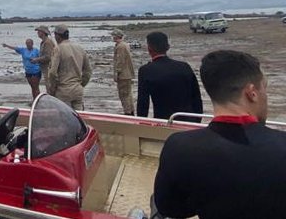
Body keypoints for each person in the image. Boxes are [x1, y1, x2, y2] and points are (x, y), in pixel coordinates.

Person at [154, 50, 286, 219]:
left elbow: (170, 208)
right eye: (264, 89)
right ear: (251, 93)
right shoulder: (282, 145)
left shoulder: (179, 147)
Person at [137, 31, 202, 121]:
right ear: (168, 47)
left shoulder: (146, 70)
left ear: (149, 48)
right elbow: (196, 97)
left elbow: (143, 103)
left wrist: (141, 122)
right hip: (188, 120)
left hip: (163, 122)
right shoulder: (184, 66)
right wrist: (197, 121)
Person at [48, 24, 92, 110]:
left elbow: (52, 73)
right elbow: (88, 71)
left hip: (63, 90)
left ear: (57, 36)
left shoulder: (58, 49)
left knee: (63, 118)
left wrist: (52, 89)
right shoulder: (80, 48)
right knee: (79, 117)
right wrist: (81, 84)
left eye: (55, 35)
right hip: (77, 89)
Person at [111, 29, 135, 115]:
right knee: (128, 94)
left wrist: (117, 73)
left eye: (113, 36)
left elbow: (120, 61)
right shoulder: (125, 45)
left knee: (123, 95)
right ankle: (131, 111)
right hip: (127, 74)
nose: (112, 37)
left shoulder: (120, 46)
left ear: (117, 36)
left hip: (123, 75)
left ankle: (127, 112)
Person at [30, 25, 55, 93]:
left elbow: (48, 57)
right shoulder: (44, 42)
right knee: (48, 86)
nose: (37, 33)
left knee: (50, 87)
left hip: (49, 68)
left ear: (43, 32)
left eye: (39, 31)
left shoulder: (47, 42)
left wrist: (36, 59)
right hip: (46, 68)